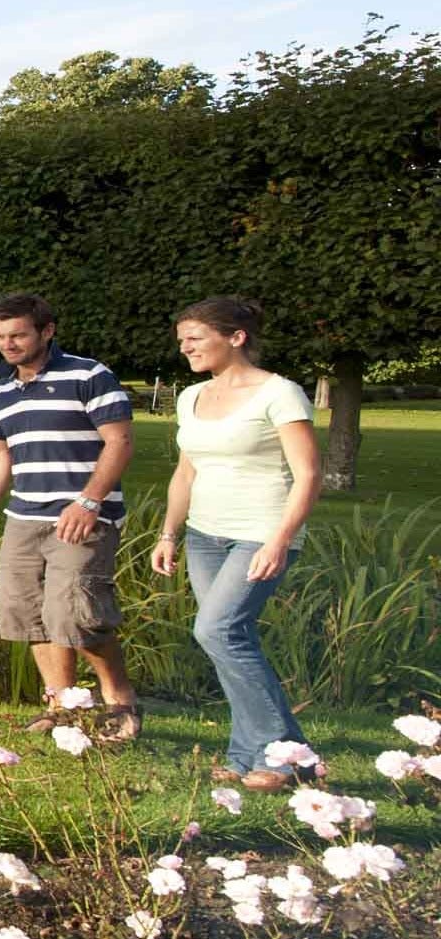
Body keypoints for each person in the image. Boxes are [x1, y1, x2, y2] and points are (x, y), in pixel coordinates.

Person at [148, 297, 321, 791]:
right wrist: (168, 533)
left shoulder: (279, 393)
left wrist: (279, 540)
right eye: (183, 341)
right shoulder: (190, 397)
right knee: (228, 641)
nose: (186, 349)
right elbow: (186, 471)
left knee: (218, 631)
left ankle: (289, 757)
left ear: (236, 337)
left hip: (260, 532)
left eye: (196, 339)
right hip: (205, 535)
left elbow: (309, 474)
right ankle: (247, 756)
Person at [0, 293, 143, 740]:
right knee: (24, 611)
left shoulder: (89, 374)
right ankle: (62, 705)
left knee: (76, 611)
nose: (8, 344)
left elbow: (119, 442)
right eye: (1, 337)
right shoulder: (0, 391)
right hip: (24, 517)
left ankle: (119, 700)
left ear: (47, 331)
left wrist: (89, 501)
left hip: (82, 514)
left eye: (18, 335)